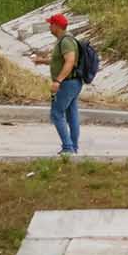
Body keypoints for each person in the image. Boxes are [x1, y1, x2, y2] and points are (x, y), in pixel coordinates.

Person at [44, 13, 86, 155]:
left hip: (67, 84)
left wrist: (58, 81)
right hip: (73, 83)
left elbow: (69, 61)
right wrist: (42, 61)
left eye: (51, 24)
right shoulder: (65, 40)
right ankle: (73, 147)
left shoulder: (66, 41)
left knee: (56, 113)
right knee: (72, 114)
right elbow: (61, 61)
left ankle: (68, 147)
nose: (49, 27)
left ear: (56, 26)